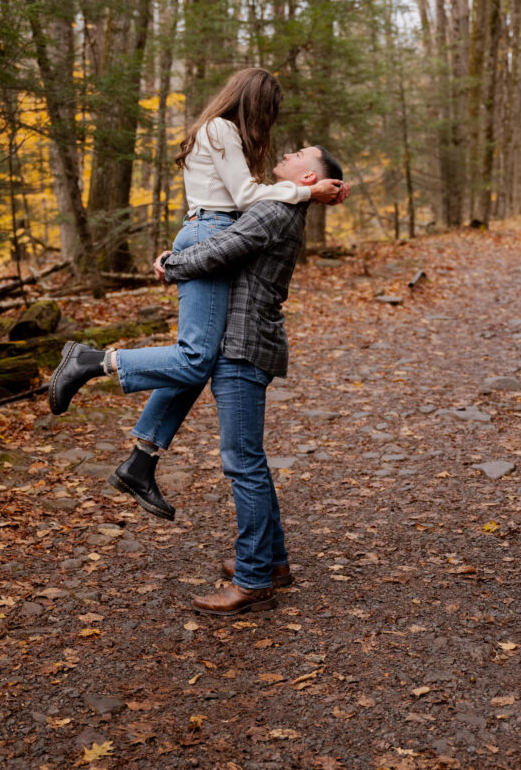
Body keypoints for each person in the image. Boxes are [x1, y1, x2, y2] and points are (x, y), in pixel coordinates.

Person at [48, 70, 342, 502]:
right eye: (267, 112)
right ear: (253, 103)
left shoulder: (224, 134)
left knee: (197, 359)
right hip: (209, 231)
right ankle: (93, 362)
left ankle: (141, 460)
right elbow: (245, 198)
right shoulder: (221, 128)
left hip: (210, 229)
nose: (270, 126)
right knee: (193, 358)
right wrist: (305, 194)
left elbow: (247, 198)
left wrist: (320, 191)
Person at [149, 145, 349, 614]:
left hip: (242, 345)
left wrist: (170, 266)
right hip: (247, 341)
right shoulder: (282, 204)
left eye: (300, 153)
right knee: (248, 458)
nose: (287, 151)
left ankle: (254, 578)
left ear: (307, 177)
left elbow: (223, 249)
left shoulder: (276, 211)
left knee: (242, 462)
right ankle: (272, 562)